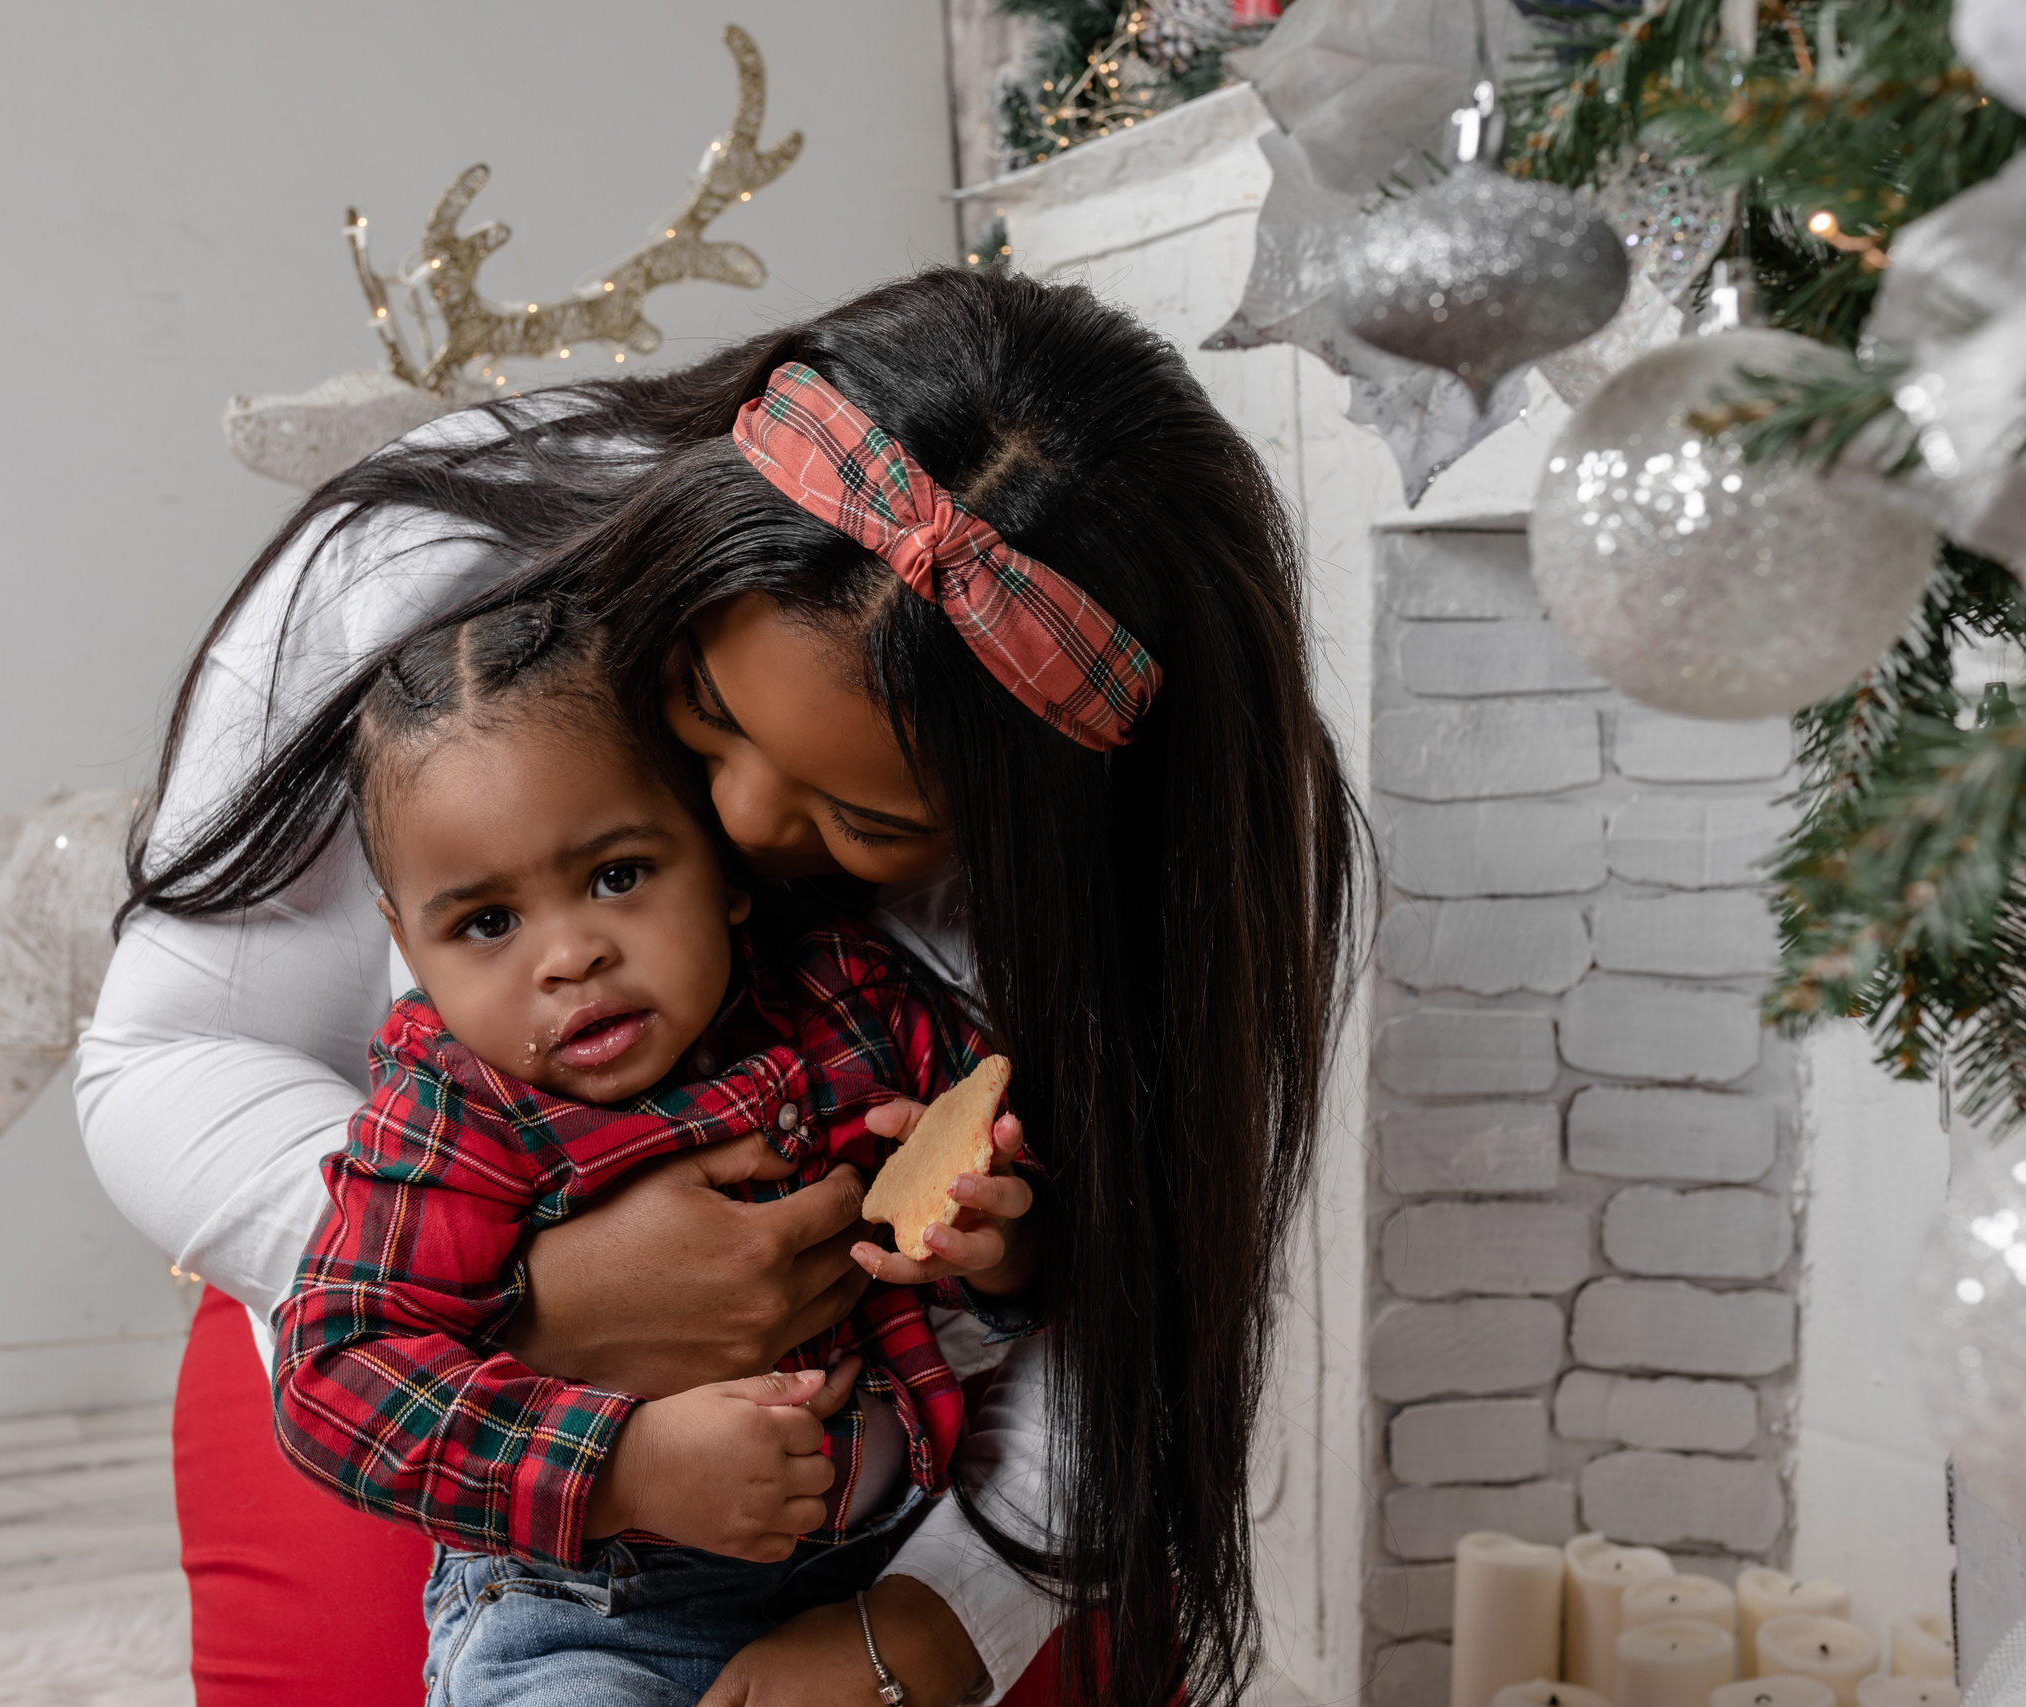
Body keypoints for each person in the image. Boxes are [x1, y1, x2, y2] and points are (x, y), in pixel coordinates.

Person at [82, 265, 1359, 1707]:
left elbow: (1112, 1295)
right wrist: (545, 1295)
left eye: (866, 822)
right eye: (705, 714)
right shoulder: (420, 579)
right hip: (500, 1476)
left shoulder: (944, 973)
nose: (742, 827)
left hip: (928, 1507)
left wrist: (933, 1621)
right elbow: (169, 1060)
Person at [272, 591, 1038, 1704]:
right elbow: (332, 1379)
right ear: (407, 941)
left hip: (878, 1569)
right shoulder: (454, 1104)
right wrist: (627, 1470)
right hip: (597, 1607)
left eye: (619, 875)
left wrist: (998, 1243)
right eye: (487, 923)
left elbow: (1036, 1232)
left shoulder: (849, 999)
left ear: (722, 866)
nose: (571, 955)